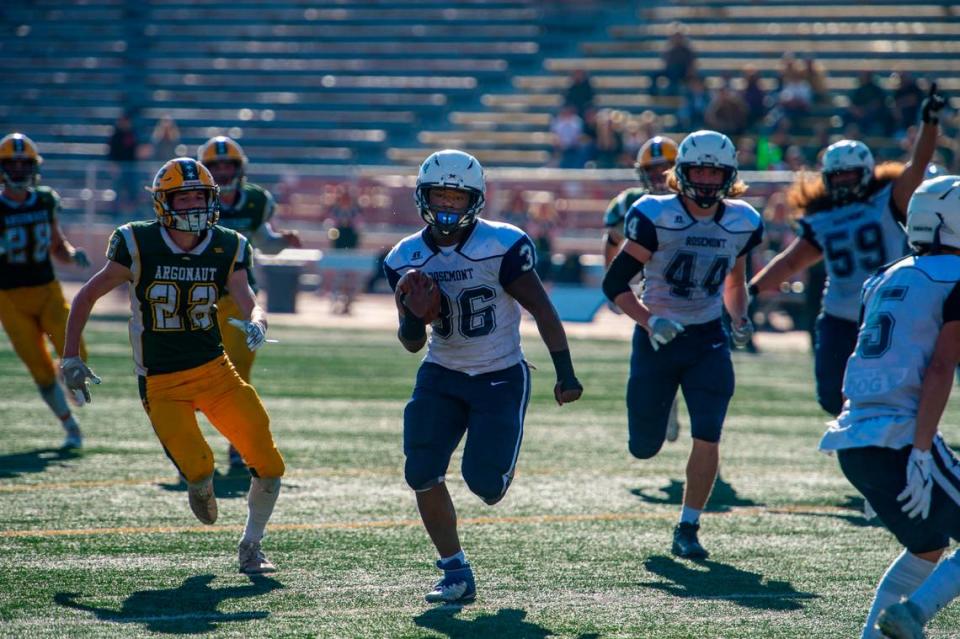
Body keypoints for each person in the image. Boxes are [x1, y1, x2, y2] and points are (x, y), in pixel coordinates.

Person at [60, 158, 285, 574]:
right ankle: (199, 484)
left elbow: (248, 296)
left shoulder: (228, 244)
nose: (194, 204)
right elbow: (86, 296)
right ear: (164, 203)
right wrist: (71, 355)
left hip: (217, 372)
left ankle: (251, 545)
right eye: (185, 197)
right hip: (162, 383)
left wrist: (258, 321)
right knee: (200, 471)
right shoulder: (137, 242)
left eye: (200, 195)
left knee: (270, 465)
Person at [383, 149, 583, 603]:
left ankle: (496, 467)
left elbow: (543, 310)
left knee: (486, 486)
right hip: (442, 370)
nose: (448, 206)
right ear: (423, 196)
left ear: (475, 200)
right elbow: (412, 343)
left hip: (499, 373)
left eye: (457, 198)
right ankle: (455, 570)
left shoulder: (502, 244)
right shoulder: (404, 257)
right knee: (421, 470)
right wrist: (414, 317)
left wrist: (565, 372)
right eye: (440, 196)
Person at [602, 130, 763, 559]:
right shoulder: (655, 213)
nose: (708, 180)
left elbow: (735, 278)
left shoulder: (742, 220)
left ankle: (688, 526)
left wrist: (740, 317)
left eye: (716, 172)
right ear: (683, 172)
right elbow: (614, 283)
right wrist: (650, 321)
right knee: (644, 446)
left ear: (729, 175)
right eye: (700, 170)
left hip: (708, 337)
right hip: (656, 338)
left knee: (708, 433)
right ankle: (661, 411)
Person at [819, 175, 960, 639]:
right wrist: (921, 450)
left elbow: (864, 356)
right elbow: (941, 366)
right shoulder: (955, 277)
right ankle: (913, 614)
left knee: (926, 546)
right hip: (901, 438)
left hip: (854, 437)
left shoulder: (883, 277)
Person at [749, 86, 945, 416]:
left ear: (866, 172)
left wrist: (929, 123)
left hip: (889, 311)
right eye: (836, 177)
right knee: (830, 396)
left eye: (849, 175)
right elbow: (792, 260)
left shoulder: (888, 197)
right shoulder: (822, 216)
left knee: (896, 387)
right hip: (839, 314)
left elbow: (919, 162)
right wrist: (752, 289)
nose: (842, 182)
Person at [197, 136, 300, 469]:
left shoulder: (255, 201)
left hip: (239, 300)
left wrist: (281, 241)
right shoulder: (194, 198)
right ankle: (188, 443)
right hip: (195, 298)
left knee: (238, 376)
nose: (224, 172)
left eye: (228, 166)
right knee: (194, 375)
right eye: (216, 166)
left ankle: (235, 445)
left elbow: (263, 243)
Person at [0, 132, 91, 448]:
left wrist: (71, 253)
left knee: (76, 350)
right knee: (38, 367)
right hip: (9, 298)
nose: (20, 170)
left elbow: (56, 245)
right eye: (14, 164)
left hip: (47, 289)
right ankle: (70, 427)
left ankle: (66, 379)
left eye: (26, 164)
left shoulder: (45, 199)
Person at [602, 136, 685, 442]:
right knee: (655, 354)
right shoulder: (632, 204)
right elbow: (612, 240)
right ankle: (665, 406)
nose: (659, 176)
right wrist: (613, 284)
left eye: (666, 168)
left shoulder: (695, 200)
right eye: (653, 170)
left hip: (698, 292)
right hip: (656, 291)